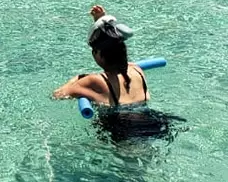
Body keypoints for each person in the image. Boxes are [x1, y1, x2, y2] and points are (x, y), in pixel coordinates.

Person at [53, 17, 185, 141]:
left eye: (94, 51)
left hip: (124, 132)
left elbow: (57, 95)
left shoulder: (95, 81)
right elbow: (113, 41)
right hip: (154, 123)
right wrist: (100, 19)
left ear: (99, 55)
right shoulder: (137, 70)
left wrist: (77, 78)